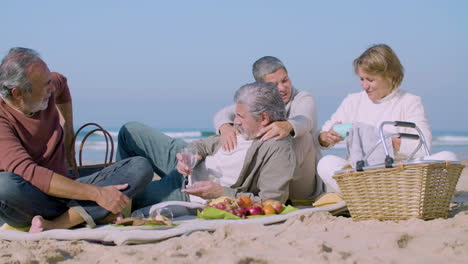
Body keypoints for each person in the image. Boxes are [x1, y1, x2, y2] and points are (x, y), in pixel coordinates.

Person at [0, 47, 153, 232]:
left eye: (50, 82)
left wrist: (69, 137)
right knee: (4, 185)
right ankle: (91, 213)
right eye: (45, 85)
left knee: (140, 166)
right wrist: (97, 194)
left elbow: (61, 84)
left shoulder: (48, 85)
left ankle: (58, 224)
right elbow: (30, 173)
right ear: (18, 93)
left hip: (71, 190)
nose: (51, 88)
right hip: (34, 199)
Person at [117, 81, 296, 209]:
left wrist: (220, 193)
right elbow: (202, 145)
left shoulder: (277, 147)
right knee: (129, 131)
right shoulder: (241, 129)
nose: (236, 121)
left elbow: (271, 202)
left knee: (126, 196)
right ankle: (118, 179)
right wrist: (190, 155)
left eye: (241, 116)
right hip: (189, 166)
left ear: (264, 118)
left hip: (190, 191)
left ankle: (115, 190)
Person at [317, 44, 432, 192]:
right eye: (361, 79)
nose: (364, 86)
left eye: (370, 80)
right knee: (326, 163)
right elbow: (321, 138)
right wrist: (328, 137)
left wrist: (385, 141)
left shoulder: (409, 102)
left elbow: (424, 148)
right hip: (360, 176)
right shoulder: (353, 101)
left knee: (447, 156)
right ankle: (367, 198)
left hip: (395, 175)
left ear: (390, 76)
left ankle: (360, 198)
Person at [213, 56, 324, 201]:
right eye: (274, 84)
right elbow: (224, 113)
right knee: (243, 130)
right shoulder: (259, 102)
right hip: (270, 180)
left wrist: (288, 125)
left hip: (301, 185)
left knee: (303, 137)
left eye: (285, 80)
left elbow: (306, 120)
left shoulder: (302, 98)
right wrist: (225, 127)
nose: (283, 88)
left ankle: (267, 191)